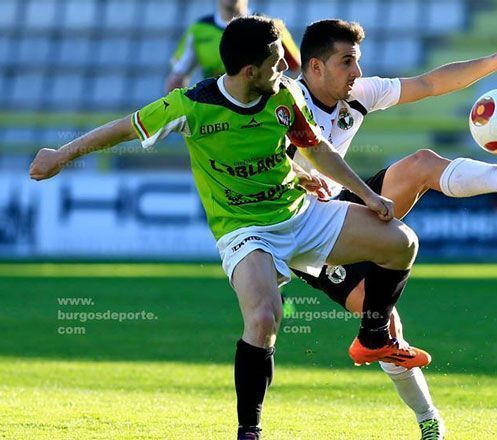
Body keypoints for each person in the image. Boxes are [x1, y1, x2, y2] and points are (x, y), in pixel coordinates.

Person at [30, 16, 434, 440]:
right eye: (277, 64)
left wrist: (366, 195)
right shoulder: (191, 105)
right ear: (249, 71)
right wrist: (62, 154)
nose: (284, 72)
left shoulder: (282, 97)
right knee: (263, 318)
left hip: (300, 214)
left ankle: (373, 335)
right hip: (245, 230)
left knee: (401, 243)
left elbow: (319, 150)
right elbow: (124, 129)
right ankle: (249, 430)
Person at [288, 19, 497, 440]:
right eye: (347, 61)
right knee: (384, 322)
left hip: (343, 204)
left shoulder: (357, 94)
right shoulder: (286, 101)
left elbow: (429, 83)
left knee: (422, 163)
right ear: (315, 67)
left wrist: (496, 61)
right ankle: (428, 418)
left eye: (357, 62)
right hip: (305, 230)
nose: (356, 71)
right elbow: (258, 159)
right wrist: (299, 175)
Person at [165, 0, 300, 91]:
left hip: (257, 113)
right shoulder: (199, 29)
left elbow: (297, 68)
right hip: (216, 111)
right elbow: (176, 79)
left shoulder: (271, 27)